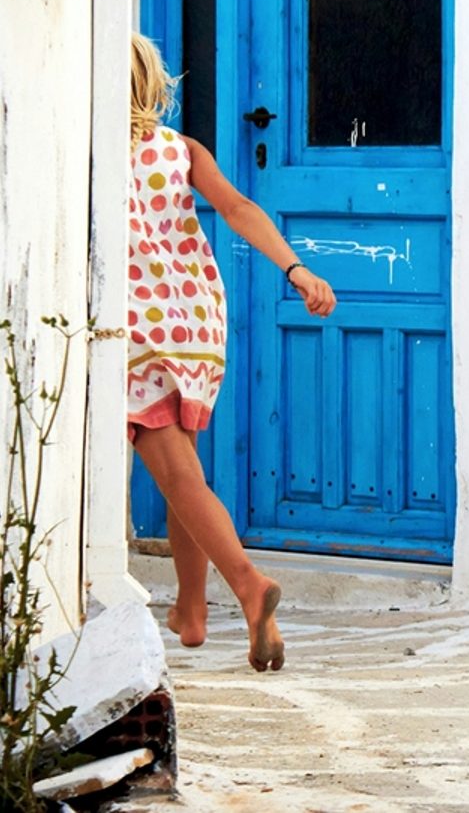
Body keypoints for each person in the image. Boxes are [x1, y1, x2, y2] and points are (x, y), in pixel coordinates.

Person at [128, 33, 336, 671]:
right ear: (150, 85)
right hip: (195, 320)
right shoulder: (180, 148)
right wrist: (296, 270)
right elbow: (239, 208)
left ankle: (247, 584)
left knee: (174, 470)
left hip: (135, 322)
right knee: (182, 464)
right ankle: (191, 613)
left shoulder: (84, 146)